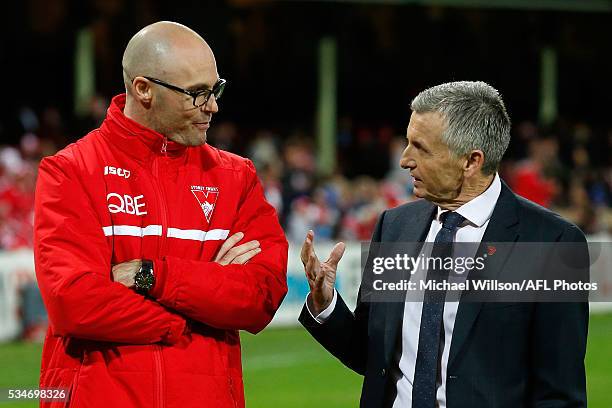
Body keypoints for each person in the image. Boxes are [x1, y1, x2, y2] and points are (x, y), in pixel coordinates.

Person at [34, 21, 288, 408]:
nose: (213, 106)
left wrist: (149, 276)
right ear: (143, 89)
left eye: (216, 89)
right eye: (197, 93)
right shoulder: (71, 170)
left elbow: (260, 296)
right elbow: (74, 302)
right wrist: (188, 321)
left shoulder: (236, 177)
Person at [299, 81, 588, 408]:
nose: (405, 160)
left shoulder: (550, 243)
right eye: (408, 143)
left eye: (420, 148)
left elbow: (560, 394)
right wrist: (326, 305)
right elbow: (373, 357)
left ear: (471, 161)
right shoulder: (395, 228)